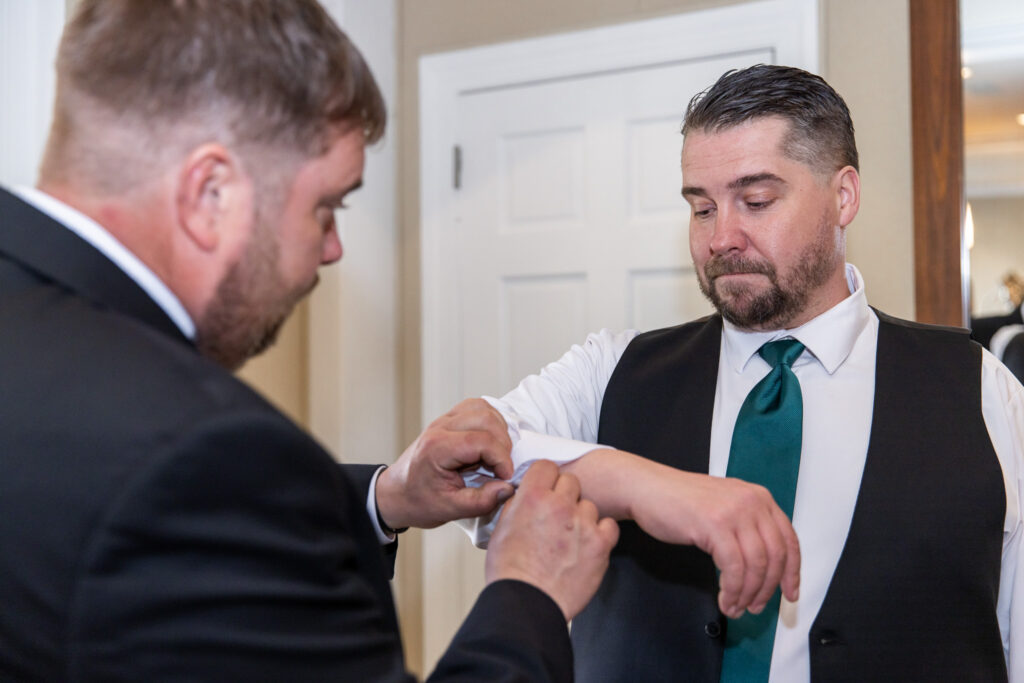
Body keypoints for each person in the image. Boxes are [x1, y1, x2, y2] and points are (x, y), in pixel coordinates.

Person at [0, 1, 621, 680]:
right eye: (326, 207)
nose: (333, 249)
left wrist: (383, 497)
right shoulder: (204, 453)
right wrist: (527, 593)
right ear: (210, 194)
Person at [467, 64, 1024, 682]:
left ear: (844, 197)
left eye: (755, 201)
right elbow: (468, 461)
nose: (720, 237)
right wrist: (645, 486)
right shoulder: (611, 369)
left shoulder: (982, 389)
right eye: (702, 208)